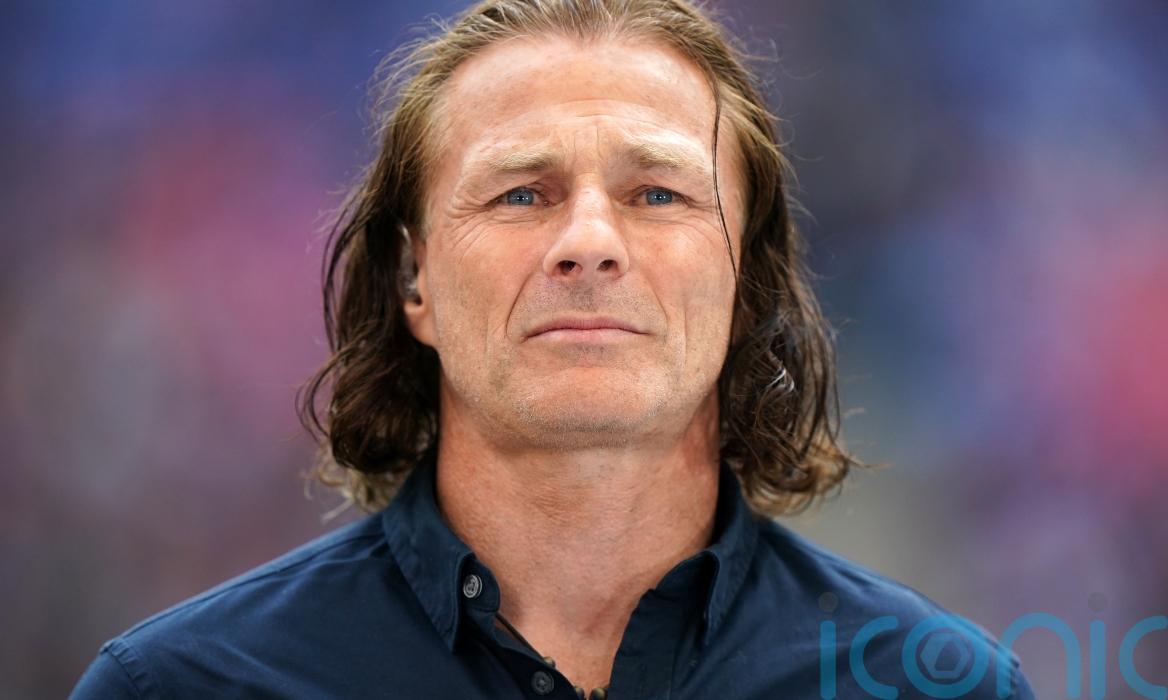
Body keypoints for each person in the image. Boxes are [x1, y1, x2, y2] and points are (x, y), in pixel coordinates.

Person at [71, 0, 1036, 697]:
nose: (589, 241)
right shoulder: (181, 687)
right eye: (521, 193)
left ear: (748, 280)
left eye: (657, 193)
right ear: (413, 279)